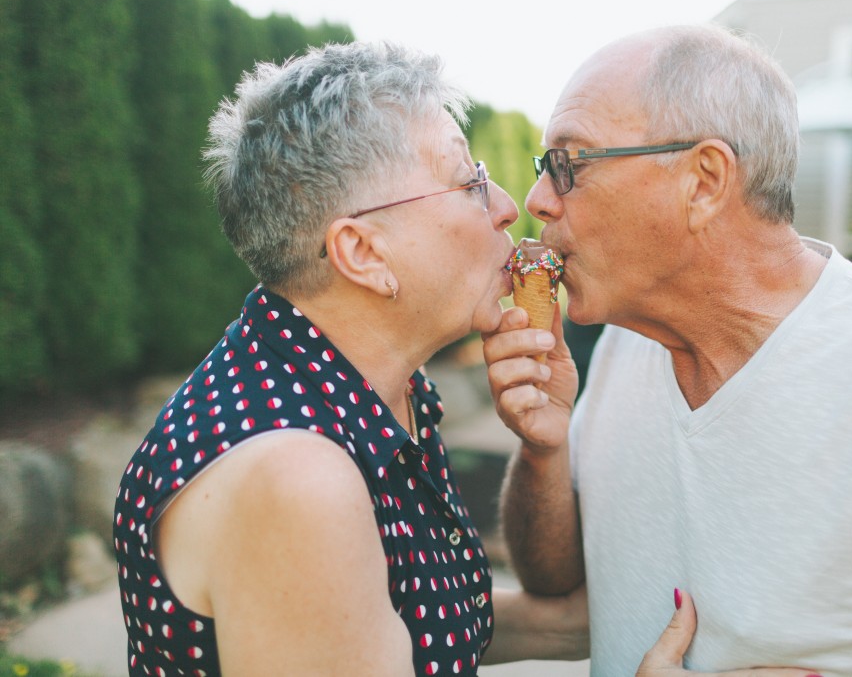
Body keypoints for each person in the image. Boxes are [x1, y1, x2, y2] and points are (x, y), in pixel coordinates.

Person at [483, 24, 852, 676]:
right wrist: (544, 449)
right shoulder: (625, 348)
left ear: (705, 180)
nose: (537, 201)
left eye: (569, 165)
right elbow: (556, 584)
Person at [110, 41, 606, 676]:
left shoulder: (366, 391)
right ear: (363, 253)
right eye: (469, 182)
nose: (510, 205)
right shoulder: (297, 480)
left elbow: (412, 622)